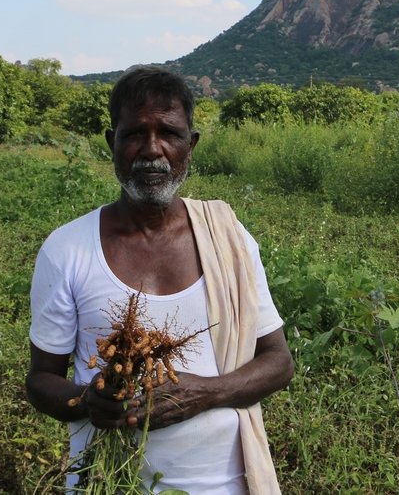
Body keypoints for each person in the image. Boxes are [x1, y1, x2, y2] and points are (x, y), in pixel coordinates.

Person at [25, 65, 295, 494]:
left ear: (191, 144)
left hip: (226, 484)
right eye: (134, 134)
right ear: (111, 141)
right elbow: (41, 380)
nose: (152, 150)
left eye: (169, 133)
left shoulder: (228, 237)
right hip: (109, 483)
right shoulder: (66, 250)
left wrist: (207, 392)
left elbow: (279, 362)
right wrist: (87, 401)